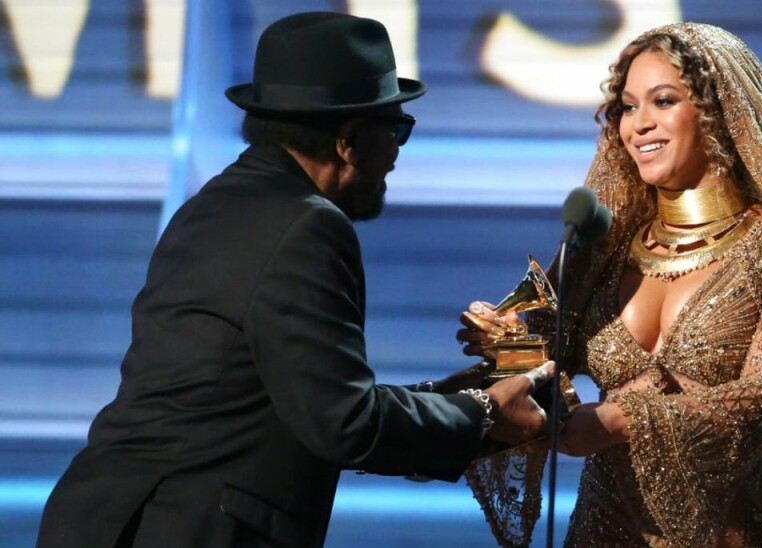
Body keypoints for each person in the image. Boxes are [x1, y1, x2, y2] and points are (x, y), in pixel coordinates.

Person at [37, 12, 551, 548]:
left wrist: (458, 396)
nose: (397, 154)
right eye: (395, 129)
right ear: (348, 142)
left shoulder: (216, 203)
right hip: (182, 526)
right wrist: (484, 413)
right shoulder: (308, 225)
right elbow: (344, 423)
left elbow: (305, 393)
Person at [457, 23, 762, 547]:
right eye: (627, 107)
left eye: (663, 101)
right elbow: (552, 366)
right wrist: (508, 345)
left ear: (719, 112)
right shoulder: (608, 248)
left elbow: (760, 403)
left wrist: (619, 420)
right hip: (605, 532)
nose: (639, 125)